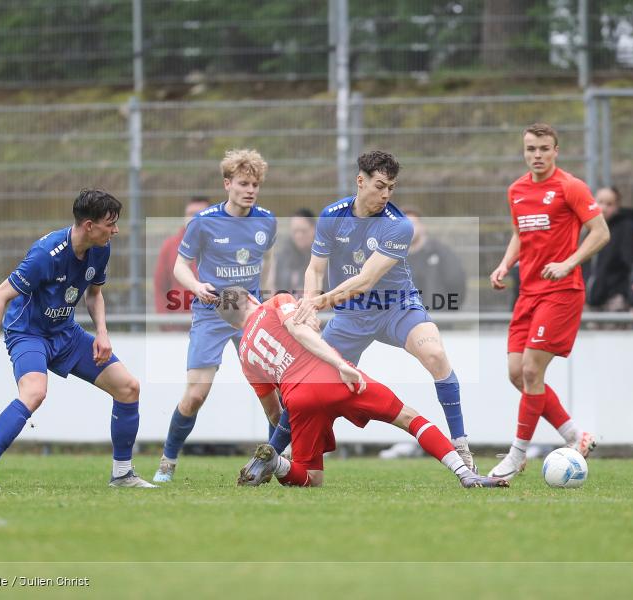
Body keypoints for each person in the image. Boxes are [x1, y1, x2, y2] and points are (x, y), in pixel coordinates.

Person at [286, 150, 477, 472]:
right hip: (351, 315)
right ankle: (278, 451)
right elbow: (315, 269)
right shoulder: (333, 216)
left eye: (391, 187)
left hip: (397, 307)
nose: (386, 194)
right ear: (361, 182)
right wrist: (308, 304)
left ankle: (461, 446)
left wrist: (318, 303)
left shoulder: (399, 225)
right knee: (312, 382)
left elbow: (365, 280)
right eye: (379, 186)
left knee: (436, 356)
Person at [215, 287, 507, 489]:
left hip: (299, 400)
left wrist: (294, 434)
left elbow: (274, 414)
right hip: (334, 377)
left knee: (311, 477)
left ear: (231, 324)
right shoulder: (276, 302)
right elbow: (300, 330)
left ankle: (277, 465)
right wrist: (339, 363)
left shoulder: (244, 354)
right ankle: (465, 473)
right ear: (251, 297)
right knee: (409, 418)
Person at [0, 190, 154, 489]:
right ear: (89, 225)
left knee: (128, 388)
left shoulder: (100, 249)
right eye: (110, 223)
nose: (116, 230)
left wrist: (102, 332)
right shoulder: (45, 254)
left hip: (65, 333)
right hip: (28, 333)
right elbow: (0, 296)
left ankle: (122, 474)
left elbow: (94, 294)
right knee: (35, 393)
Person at [487, 123, 610, 481]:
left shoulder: (570, 187)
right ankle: (575, 436)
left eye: (543, 148)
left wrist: (569, 262)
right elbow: (519, 234)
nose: (537, 155)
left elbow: (601, 232)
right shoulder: (517, 190)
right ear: (524, 151)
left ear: (556, 150)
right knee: (517, 374)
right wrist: (505, 264)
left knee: (531, 371)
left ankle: (516, 456)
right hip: (528, 293)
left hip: (562, 292)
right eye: (530, 149)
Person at [153, 149, 280, 483]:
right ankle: (168, 460)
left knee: (273, 397)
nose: (250, 190)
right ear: (228, 184)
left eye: (255, 184)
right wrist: (195, 285)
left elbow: (267, 260)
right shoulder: (204, 222)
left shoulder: (267, 221)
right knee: (196, 394)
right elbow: (180, 265)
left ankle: (273, 462)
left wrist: (265, 299)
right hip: (211, 314)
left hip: (250, 316)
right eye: (243, 183)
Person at [402, 205, 467, 311]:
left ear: (422, 226)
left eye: (413, 223)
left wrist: (447, 310)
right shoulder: (392, 257)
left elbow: (456, 281)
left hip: (438, 320)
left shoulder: (441, 252)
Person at [586, 186, 633, 312]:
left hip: (615, 300)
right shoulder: (590, 230)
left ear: (617, 207)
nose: (603, 208)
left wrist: (624, 294)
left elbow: (631, 262)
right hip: (592, 300)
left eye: (609, 204)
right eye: (600, 202)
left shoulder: (626, 228)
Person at [153, 196, 211, 315]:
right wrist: (165, 322)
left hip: (211, 324)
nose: (194, 219)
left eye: (200, 214)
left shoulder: (222, 245)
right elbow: (160, 287)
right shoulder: (170, 246)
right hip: (177, 326)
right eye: (190, 214)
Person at [273, 208, 316, 296]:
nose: (299, 236)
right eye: (295, 231)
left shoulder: (324, 256)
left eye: (303, 231)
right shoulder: (283, 256)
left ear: (313, 229)